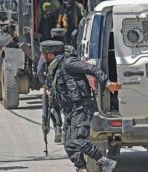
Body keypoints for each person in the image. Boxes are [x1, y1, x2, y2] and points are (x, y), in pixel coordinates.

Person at [42, 40, 121, 172]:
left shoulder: (68, 63)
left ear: (50, 55)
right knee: (69, 144)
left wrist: (107, 83)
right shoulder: (54, 69)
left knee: (79, 139)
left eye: (44, 54)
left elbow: (91, 68)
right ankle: (81, 168)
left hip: (81, 107)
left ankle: (104, 162)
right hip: (69, 110)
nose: (42, 57)